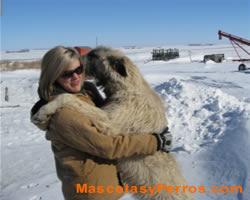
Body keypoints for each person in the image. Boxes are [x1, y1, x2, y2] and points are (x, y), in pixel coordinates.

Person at [30, 46, 172, 200]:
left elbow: (102, 113)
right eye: (67, 74)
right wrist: (156, 141)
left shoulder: (83, 93)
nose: (76, 76)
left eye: (79, 70)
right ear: (53, 76)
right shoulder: (63, 114)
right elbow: (109, 145)